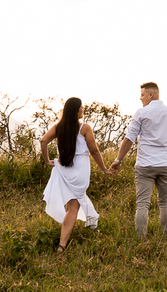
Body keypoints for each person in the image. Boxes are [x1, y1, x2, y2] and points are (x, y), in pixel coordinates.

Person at [108, 82, 167, 238]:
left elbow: (129, 138)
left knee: (142, 204)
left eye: (143, 95)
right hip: (165, 164)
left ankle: (141, 239)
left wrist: (118, 160)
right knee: (165, 203)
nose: (141, 98)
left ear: (151, 95)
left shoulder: (141, 113)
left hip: (145, 165)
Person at [40, 97, 108, 252]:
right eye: (81, 107)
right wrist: (104, 169)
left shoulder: (59, 127)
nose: (83, 110)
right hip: (79, 170)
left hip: (64, 168)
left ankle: (68, 236)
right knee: (73, 208)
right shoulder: (84, 128)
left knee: (70, 205)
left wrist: (47, 160)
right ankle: (62, 246)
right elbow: (94, 151)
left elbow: (43, 141)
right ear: (76, 110)